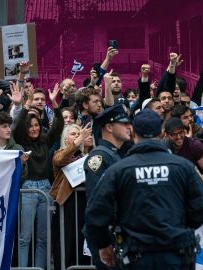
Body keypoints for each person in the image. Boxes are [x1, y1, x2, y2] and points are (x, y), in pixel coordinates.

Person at [85, 109, 203, 269]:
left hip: (138, 254)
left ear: (133, 132)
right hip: (174, 253)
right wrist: (181, 225)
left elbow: (95, 213)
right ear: (161, 132)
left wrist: (103, 244)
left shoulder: (119, 170)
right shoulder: (183, 167)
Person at [13, 92, 64, 269]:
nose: (34, 128)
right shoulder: (21, 140)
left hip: (46, 190)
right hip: (28, 190)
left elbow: (58, 128)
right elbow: (17, 127)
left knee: (43, 238)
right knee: (25, 237)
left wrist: (55, 104)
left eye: (36, 125)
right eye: (30, 126)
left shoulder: (45, 141)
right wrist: (25, 105)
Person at [84, 104, 132, 270]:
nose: (129, 127)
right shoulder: (99, 157)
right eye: (124, 123)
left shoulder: (116, 155)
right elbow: (98, 203)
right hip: (108, 235)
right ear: (109, 127)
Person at [50, 123, 92, 268]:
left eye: (78, 133)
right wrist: (79, 140)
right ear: (66, 139)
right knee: (65, 241)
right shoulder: (59, 153)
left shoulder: (84, 156)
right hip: (67, 204)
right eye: (73, 134)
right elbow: (61, 160)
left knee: (81, 241)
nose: (77, 136)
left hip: (83, 203)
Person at [164, 117, 203, 181]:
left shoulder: (195, 146)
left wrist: (195, 181)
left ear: (185, 131)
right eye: (173, 134)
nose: (178, 137)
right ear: (167, 136)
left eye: (180, 132)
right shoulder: (164, 148)